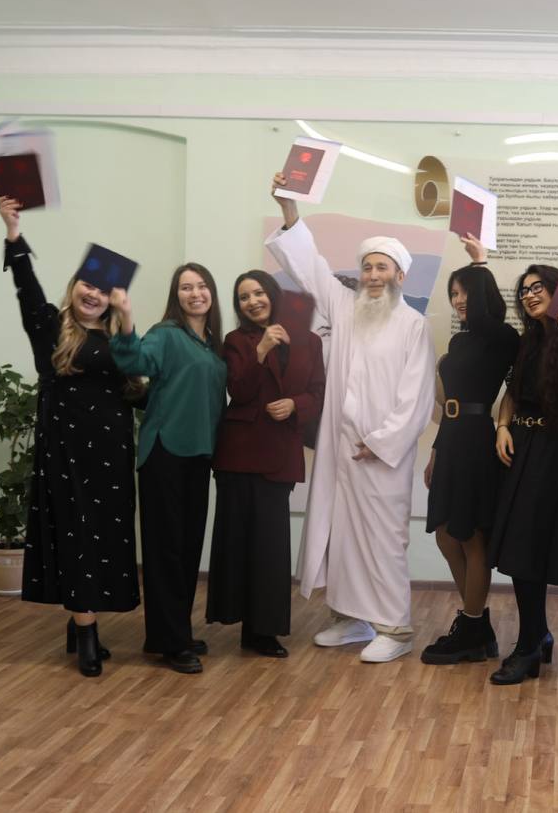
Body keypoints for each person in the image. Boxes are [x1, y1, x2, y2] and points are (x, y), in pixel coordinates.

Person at [265, 173, 436, 664]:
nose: (373, 275)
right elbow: (311, 268)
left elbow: (417, 398)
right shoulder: (344, 307)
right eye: (367, 267)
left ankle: (396, 628)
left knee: (382, 541)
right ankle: (352, 618)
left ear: (400, 276)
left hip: (380, 456)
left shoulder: (413, 325)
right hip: (340, 450)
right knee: (341, 534)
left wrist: (380, 441)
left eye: (382, 267)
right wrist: (289, 209)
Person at [0, 196, 143, 678]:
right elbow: (26, 286)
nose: (93, 294)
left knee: (104, 539)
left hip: (113, 457)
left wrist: (128, 320)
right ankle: (86, 635)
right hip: (66, 455)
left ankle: (80, 618)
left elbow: (138, 386)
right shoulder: (50, 329)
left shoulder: (117, 340)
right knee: (78, 534)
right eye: (87, 284)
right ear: (74, 286)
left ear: (112, 299)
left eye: (103, 290)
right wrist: (13, 234)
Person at [487, 267, 558, 685]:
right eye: (523, 290)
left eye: (538, 287)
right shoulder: (528, 340)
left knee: (529, 549)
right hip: (519, 447)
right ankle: (538, 636)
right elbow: (512, 394)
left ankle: (529, 646)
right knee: (518, 548)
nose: (529, 295)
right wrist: (503, 426)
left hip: (552, 452)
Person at [109, 266, 227, 674]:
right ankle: (170, 641)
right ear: (176, 296)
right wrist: (125, 315)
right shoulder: (165, 334)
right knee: (166, 551)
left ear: (212, 293)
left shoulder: (211, 344)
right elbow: (132, 359)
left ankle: (174, 631)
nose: (195, 293)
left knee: (188, 549)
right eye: (186, 287)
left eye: (202, 286)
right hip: (165, 454)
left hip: (199, 456)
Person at [207, 270, 325, 657]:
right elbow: (238, 391)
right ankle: (238, 621)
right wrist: (260, 351)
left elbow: (318, 393)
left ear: (272, 295)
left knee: (271, 547)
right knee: (237, 543)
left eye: (258, 293)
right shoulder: (236, 340)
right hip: (239, 455)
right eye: (243, 297)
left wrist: (295, 405)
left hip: (280, 454)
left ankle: (264, 631)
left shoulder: (309, 341)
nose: (252, 301)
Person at [420, 234, 520, 664]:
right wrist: (435, 450)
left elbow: (510, 389)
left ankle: (471, 626)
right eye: (454, 294)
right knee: (446, 534)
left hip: (478, 441)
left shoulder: (501, 337)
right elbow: (449, 405)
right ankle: (476, 626)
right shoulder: (458, 343)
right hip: (451, 439)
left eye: (464, 293)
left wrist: (479, 263)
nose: (458, 300)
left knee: (472, 536)